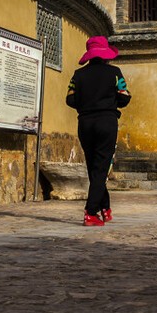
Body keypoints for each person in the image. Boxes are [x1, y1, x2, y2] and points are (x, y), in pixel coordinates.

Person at [66, 36, 131, 226]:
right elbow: (124, 98)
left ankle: (105, 207)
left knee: (94, 167)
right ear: (105, 54)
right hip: (106, 122)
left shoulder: (78, 75)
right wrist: (111, 101)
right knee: (101, 168)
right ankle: (91, 211)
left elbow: (70, 100)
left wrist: (86, 103)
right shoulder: (115, 73)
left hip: (85, 123)